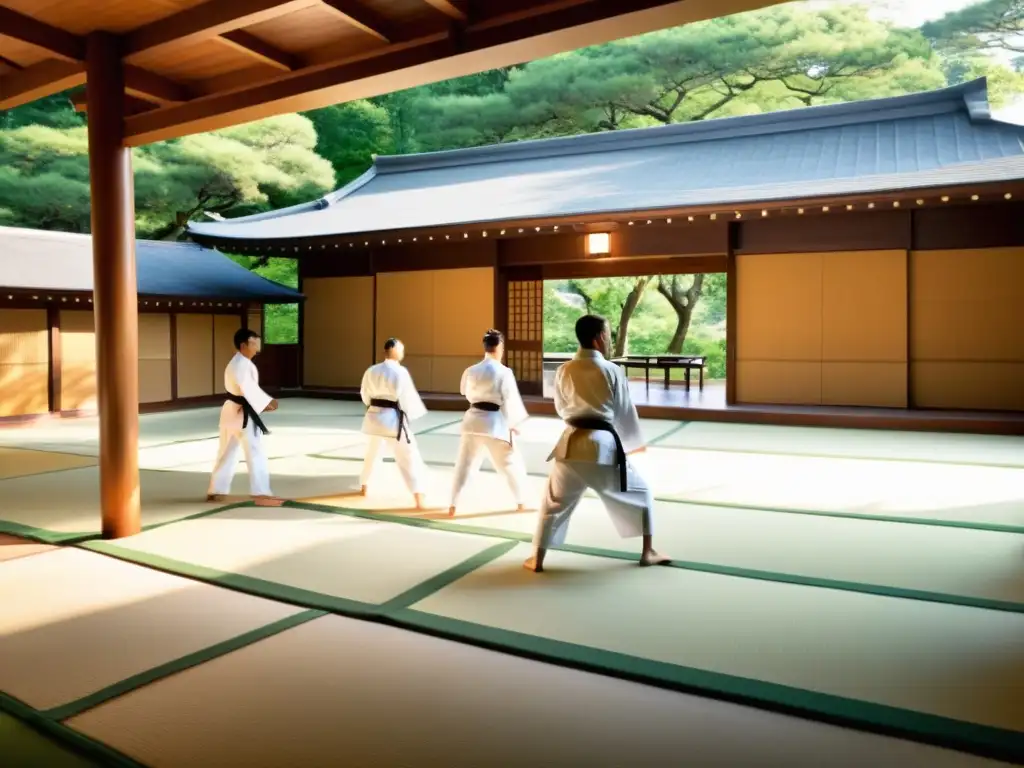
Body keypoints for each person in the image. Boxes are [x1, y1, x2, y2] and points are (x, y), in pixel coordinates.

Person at [525, 314, 670, 573]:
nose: (609, 338)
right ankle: (647, 552)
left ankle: (537, 558)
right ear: (599, 337)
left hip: (570, 444)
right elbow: (624, 410)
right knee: (642, 494)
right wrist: (633, 442)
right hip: (603, 447)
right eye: (608, 333)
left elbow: (561, 408)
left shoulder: (563, 370)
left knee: (553, 503)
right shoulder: (611, 370)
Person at [448, 329, 530, 517]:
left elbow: (465, 393)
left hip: (472, 420)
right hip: (494, 423)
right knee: (508, 463)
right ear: (500, 347)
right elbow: (510, 400)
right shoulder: (504, 372)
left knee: (464, 465)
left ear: (485, 347)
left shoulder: (471, 370)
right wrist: (512, 424)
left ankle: (453, 504)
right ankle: (521, 502)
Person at [207, 328, 282, 507]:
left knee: (226, 452)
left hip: (231, 412)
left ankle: (216, 489)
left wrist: (263, 402)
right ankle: (261, 491)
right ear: (243, 345)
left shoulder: (237, 362)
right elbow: (248, 389)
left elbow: (248, 389)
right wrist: (267, 403)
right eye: (253, 343)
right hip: (242, 414)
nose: (257, 347)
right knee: (255, 451)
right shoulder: (243, 365)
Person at [359, 337, 430, 509]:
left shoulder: (372, 370)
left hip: (373, 417)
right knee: (408, 455)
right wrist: (409, 416)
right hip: (391, 420)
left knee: (371, 453)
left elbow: (364, 394)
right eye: (401, 349)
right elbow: (407, 398)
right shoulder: (401, 372)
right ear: (393, 350)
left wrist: (373, 407)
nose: (402, 352)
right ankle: (418, 495)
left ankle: (364, 486)